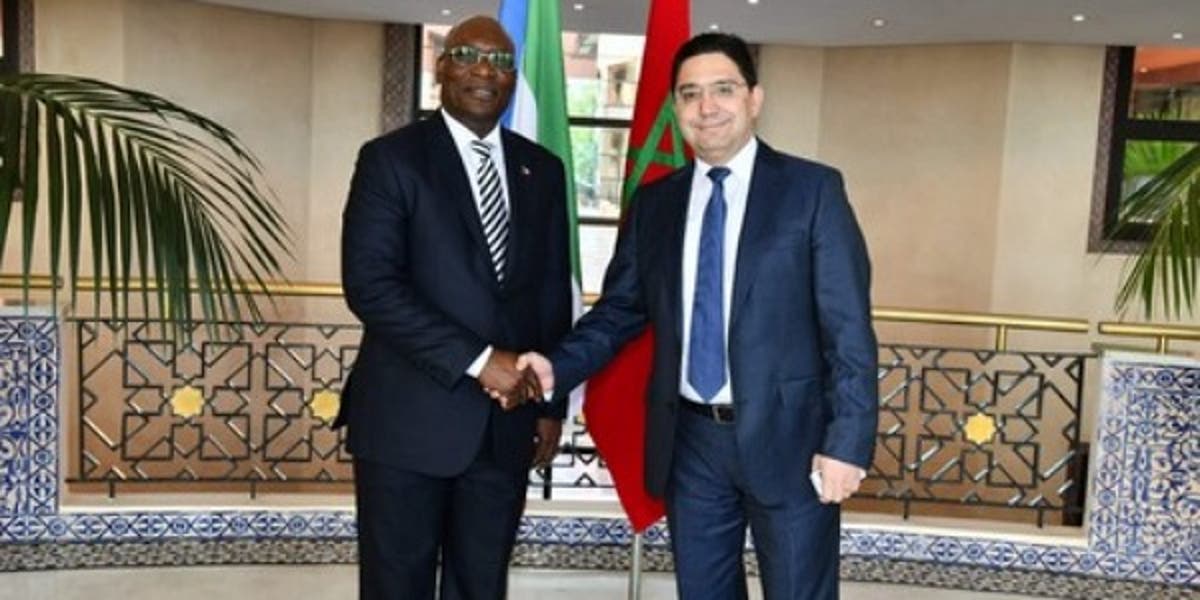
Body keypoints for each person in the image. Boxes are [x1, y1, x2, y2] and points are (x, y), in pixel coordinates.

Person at [519, 32, 878, 600]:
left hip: (792, 444)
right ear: (676, 108)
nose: (706, 107)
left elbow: (849, 330)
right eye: (690, 94)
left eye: (723, 89)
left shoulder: (812, 191)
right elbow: (619, 312)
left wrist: (848, 443)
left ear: (754, 99)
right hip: (691, 445)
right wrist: (556, 367)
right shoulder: (656, 204)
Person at [335, 15, 573, 600]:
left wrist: (550, 405)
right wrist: (480, 360)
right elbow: (371, 286)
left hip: (505, 427)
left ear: (514, 77)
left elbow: (550, 294)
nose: (485, 71)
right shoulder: (391, 159)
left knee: (482, 586)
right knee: (397, 587)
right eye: (468, 55)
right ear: (441, 67)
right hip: (406, 424)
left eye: (501, 61)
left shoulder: (542, 169)